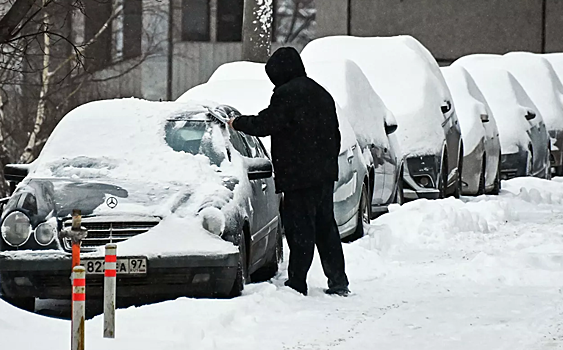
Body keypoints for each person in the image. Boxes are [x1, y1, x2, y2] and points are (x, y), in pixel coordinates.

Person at [228, 47, 350, 296]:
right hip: (324, 175)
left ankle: (297, 282)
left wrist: (237, 122)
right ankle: (338, 281)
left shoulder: (287, 95)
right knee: (326, 228)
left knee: (300, 231)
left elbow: (266, 123)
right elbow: (334, 135)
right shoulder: (321, 93)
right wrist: (324, 163)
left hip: (299, 177)